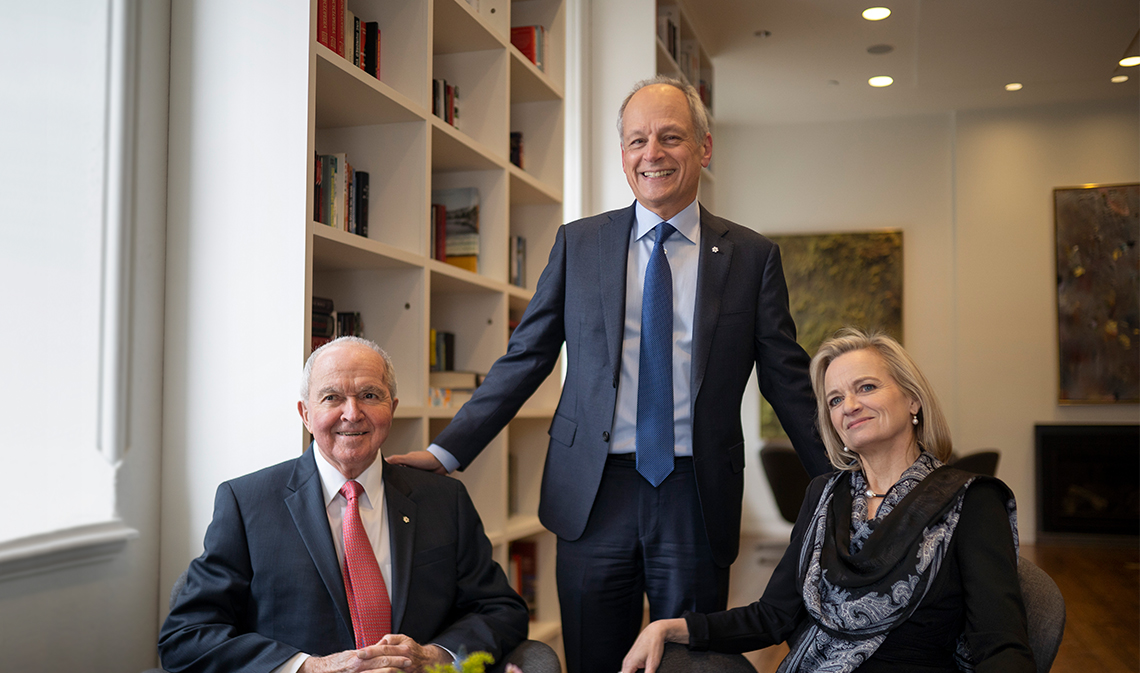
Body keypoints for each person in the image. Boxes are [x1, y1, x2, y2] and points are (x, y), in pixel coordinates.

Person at [386, 76, 830, 673]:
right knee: (596, 658)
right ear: (622, 153)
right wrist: (446, 452)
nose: (653, 153)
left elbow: (786, 378)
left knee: (688, 661)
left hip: (694, 492)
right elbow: (527, 357)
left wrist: (845, 478)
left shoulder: (751, 256)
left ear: (703, 146)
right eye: (637, 140)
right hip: (593, 491)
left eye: (671, 137)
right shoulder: (580, 243)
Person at [622, 327, 1036, 673]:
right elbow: (774, 615)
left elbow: (1000, 648)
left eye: (866, 387)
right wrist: (671, 627)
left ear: (913, 399)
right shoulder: (824, 494)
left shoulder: (972, 501)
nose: (849, 406)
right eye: (835, 399)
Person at [158, 337, 528, 673]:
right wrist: (309, 668)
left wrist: (434, 655)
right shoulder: (248, 502)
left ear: (392, 407)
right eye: (332, 397)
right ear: (305, 413)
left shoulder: (445, 499)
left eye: (370, 395)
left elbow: (500, 610)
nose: (352, 414)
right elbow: (186, 636)